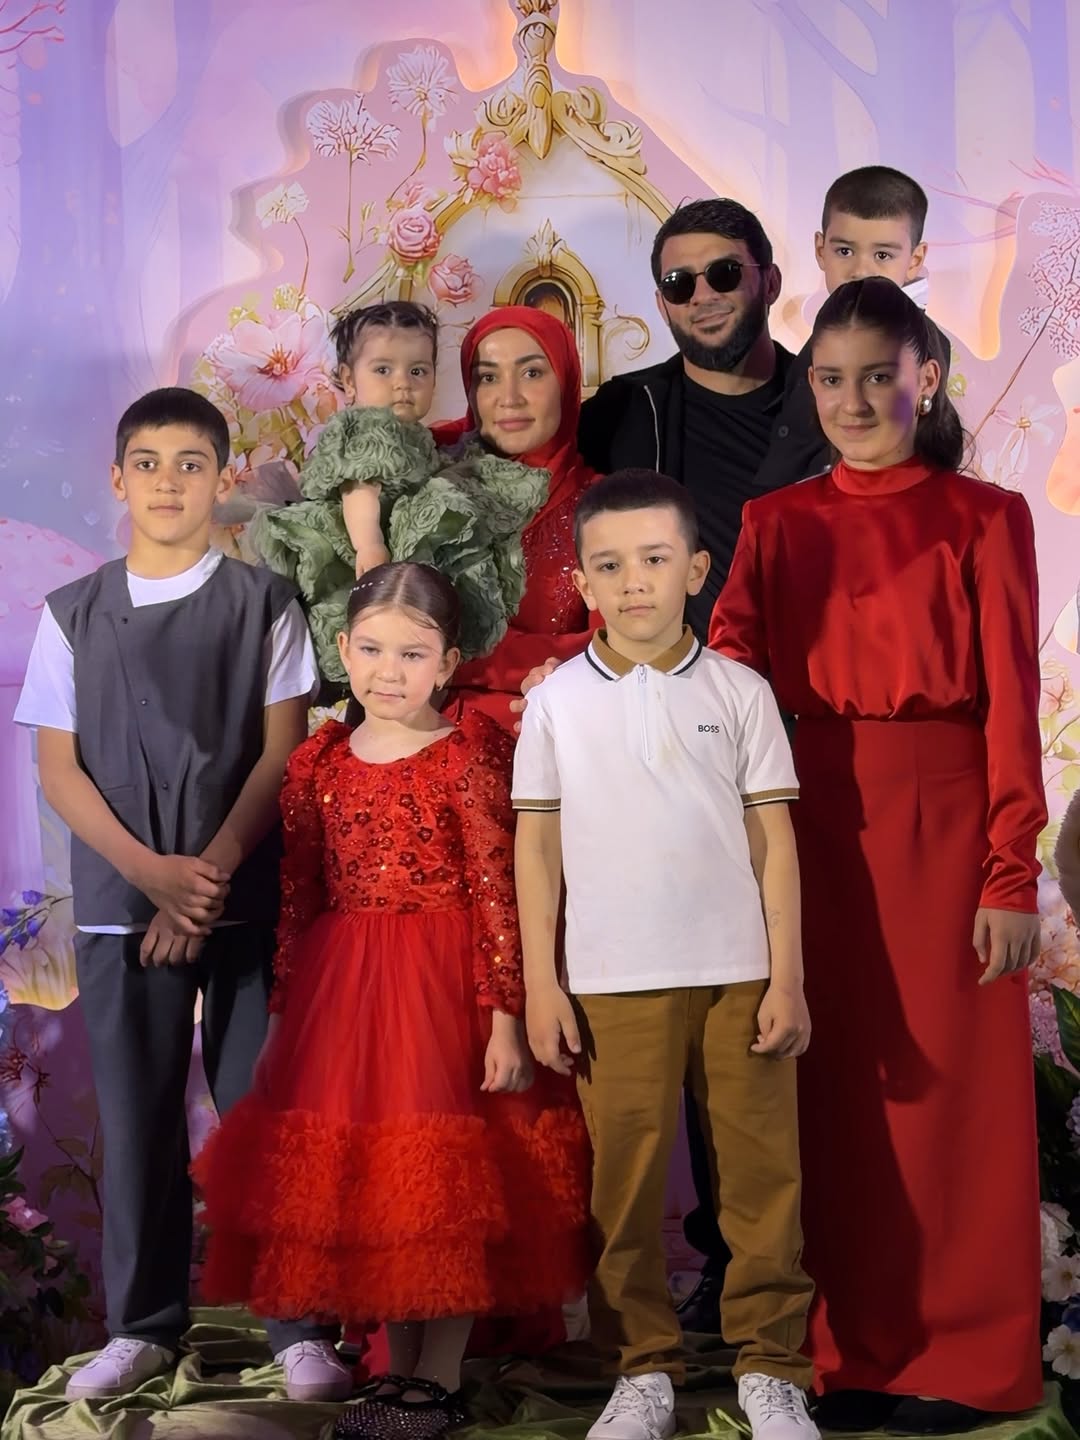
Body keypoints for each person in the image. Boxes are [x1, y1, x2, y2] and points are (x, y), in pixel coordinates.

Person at [710, 277, 1044, 1434]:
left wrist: (1010, 871)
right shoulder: (775, 522)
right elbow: (727, 684)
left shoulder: (988, 515)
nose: (852, 401)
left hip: (948, 824)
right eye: (831, 380)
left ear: (927, 379)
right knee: (831, 1096)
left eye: (876, 377)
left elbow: (1012, 704)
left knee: (954, 1101)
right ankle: (842, 1353)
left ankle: (965, 1358)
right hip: (810, 826)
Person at [194, 562, 592, 1440]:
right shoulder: (319, 761)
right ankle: (397, 1372)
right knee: (381, 1186)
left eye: (413, 655)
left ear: (448, 663)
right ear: (342, 649)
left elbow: (498, 889)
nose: (388, 671)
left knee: (445, 1184)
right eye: (372, 650)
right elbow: (299, 896)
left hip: (446, 985)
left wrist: (503, 1016)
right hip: (343, 993)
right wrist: (287, 1015)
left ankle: (436, 1380)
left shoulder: (469, 752)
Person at [11, 388, 333, 1402]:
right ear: (117, 479)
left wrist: (210, 872)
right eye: (146, 463)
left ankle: (298, 1328)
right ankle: (143, 1327)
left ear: (222, 479)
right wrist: (152, 874)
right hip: (122, 898)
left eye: (190, 464)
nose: (167, 482)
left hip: (241, 892)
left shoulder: (265, 604)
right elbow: (59, 769)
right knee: (138, 1114)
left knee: (261, 1111)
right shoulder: (73, 614)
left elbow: (282, 752)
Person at [514, 469, 818, 1440]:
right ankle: (641, 1369)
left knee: (762, 1180)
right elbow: (536, 850)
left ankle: (771, 1367)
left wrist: (788, 975)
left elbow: (774, 841)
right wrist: (541, 984)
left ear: (696, 568)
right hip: (611, 984)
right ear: (582, 584)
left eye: (653, 559)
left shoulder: (741, 692)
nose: (633, 581)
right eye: (608, 565)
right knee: (625, 1187)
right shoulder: (557, 703)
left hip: (739, 976)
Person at [251, 300, 548, 688]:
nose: (402, 383)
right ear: (349, 380)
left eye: (417, 371)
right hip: (360, 550)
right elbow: (360, 489)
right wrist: (369, 544)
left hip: (403, 543)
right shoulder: (367, 427)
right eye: (383, 370)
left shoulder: (420, 437)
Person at [432, 306, 599, 731]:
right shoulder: (432, 488)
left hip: (553, 740)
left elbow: (618, 645)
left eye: (532, 373)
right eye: (488, 377)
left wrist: (454, 658)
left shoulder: (604, 506)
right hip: (419, 738)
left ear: (566, 381)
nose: (509, 397)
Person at [774, 166, 952, 480]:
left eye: (882, 255)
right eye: (844, 251)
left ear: (914, 260)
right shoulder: (828, 329)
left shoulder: (922, 339)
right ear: (820, 250)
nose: (860, 270)